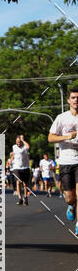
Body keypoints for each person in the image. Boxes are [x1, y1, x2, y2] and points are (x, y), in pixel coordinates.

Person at [48, 88, 78, 233]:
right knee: (70, 198)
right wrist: (67, 137)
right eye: (73, 97)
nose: (76, 100)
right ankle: (71, 205)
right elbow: (50, 138)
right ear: (68, 100)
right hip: (66, 161)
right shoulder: (61, 118)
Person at [10, 134, 31, 204]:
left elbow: (28, 146)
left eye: (19, 142)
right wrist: (11, 159)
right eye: (17, 142)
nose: (18, 143)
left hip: (25, 167)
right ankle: (20, 198)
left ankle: (25, 197)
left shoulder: (24, 147)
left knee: (25, 184)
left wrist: (22, 140)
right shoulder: (14, 146)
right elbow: (14, 154)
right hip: (17, 167)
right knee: (18, 182)